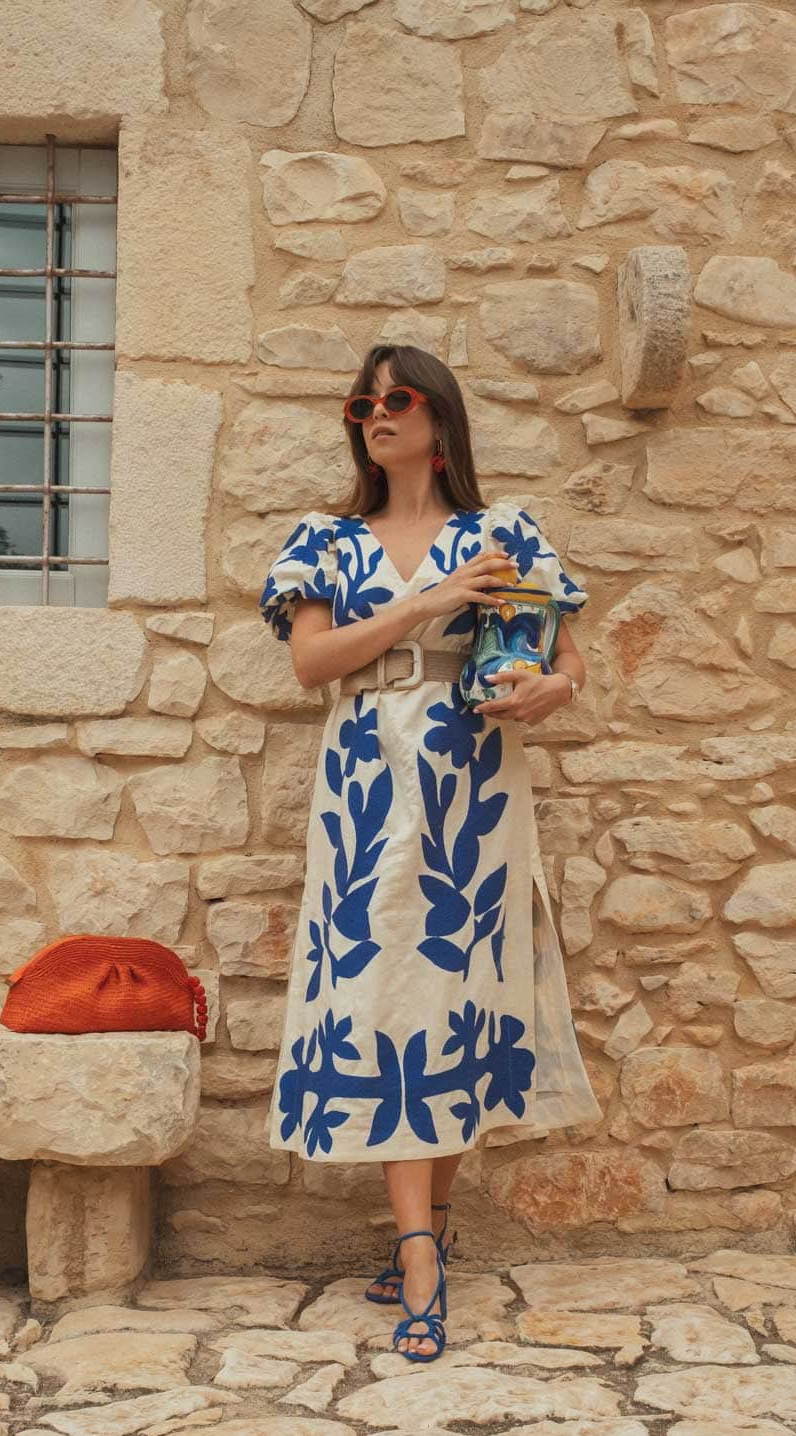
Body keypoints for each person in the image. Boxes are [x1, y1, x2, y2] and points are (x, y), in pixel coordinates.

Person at [258, 343, 602, 1363]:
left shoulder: (504, 534)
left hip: (476, 786)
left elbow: (568, 654)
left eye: (395, 399)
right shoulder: (325, 540)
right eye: (362, 401)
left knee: (455, 991)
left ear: (439, 419)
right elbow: (311, 661)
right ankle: (418, 1256)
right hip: (365, 786)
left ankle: (429, 1237)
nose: (374, 414)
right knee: (380, 997)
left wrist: (552, 689)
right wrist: (423, 604)